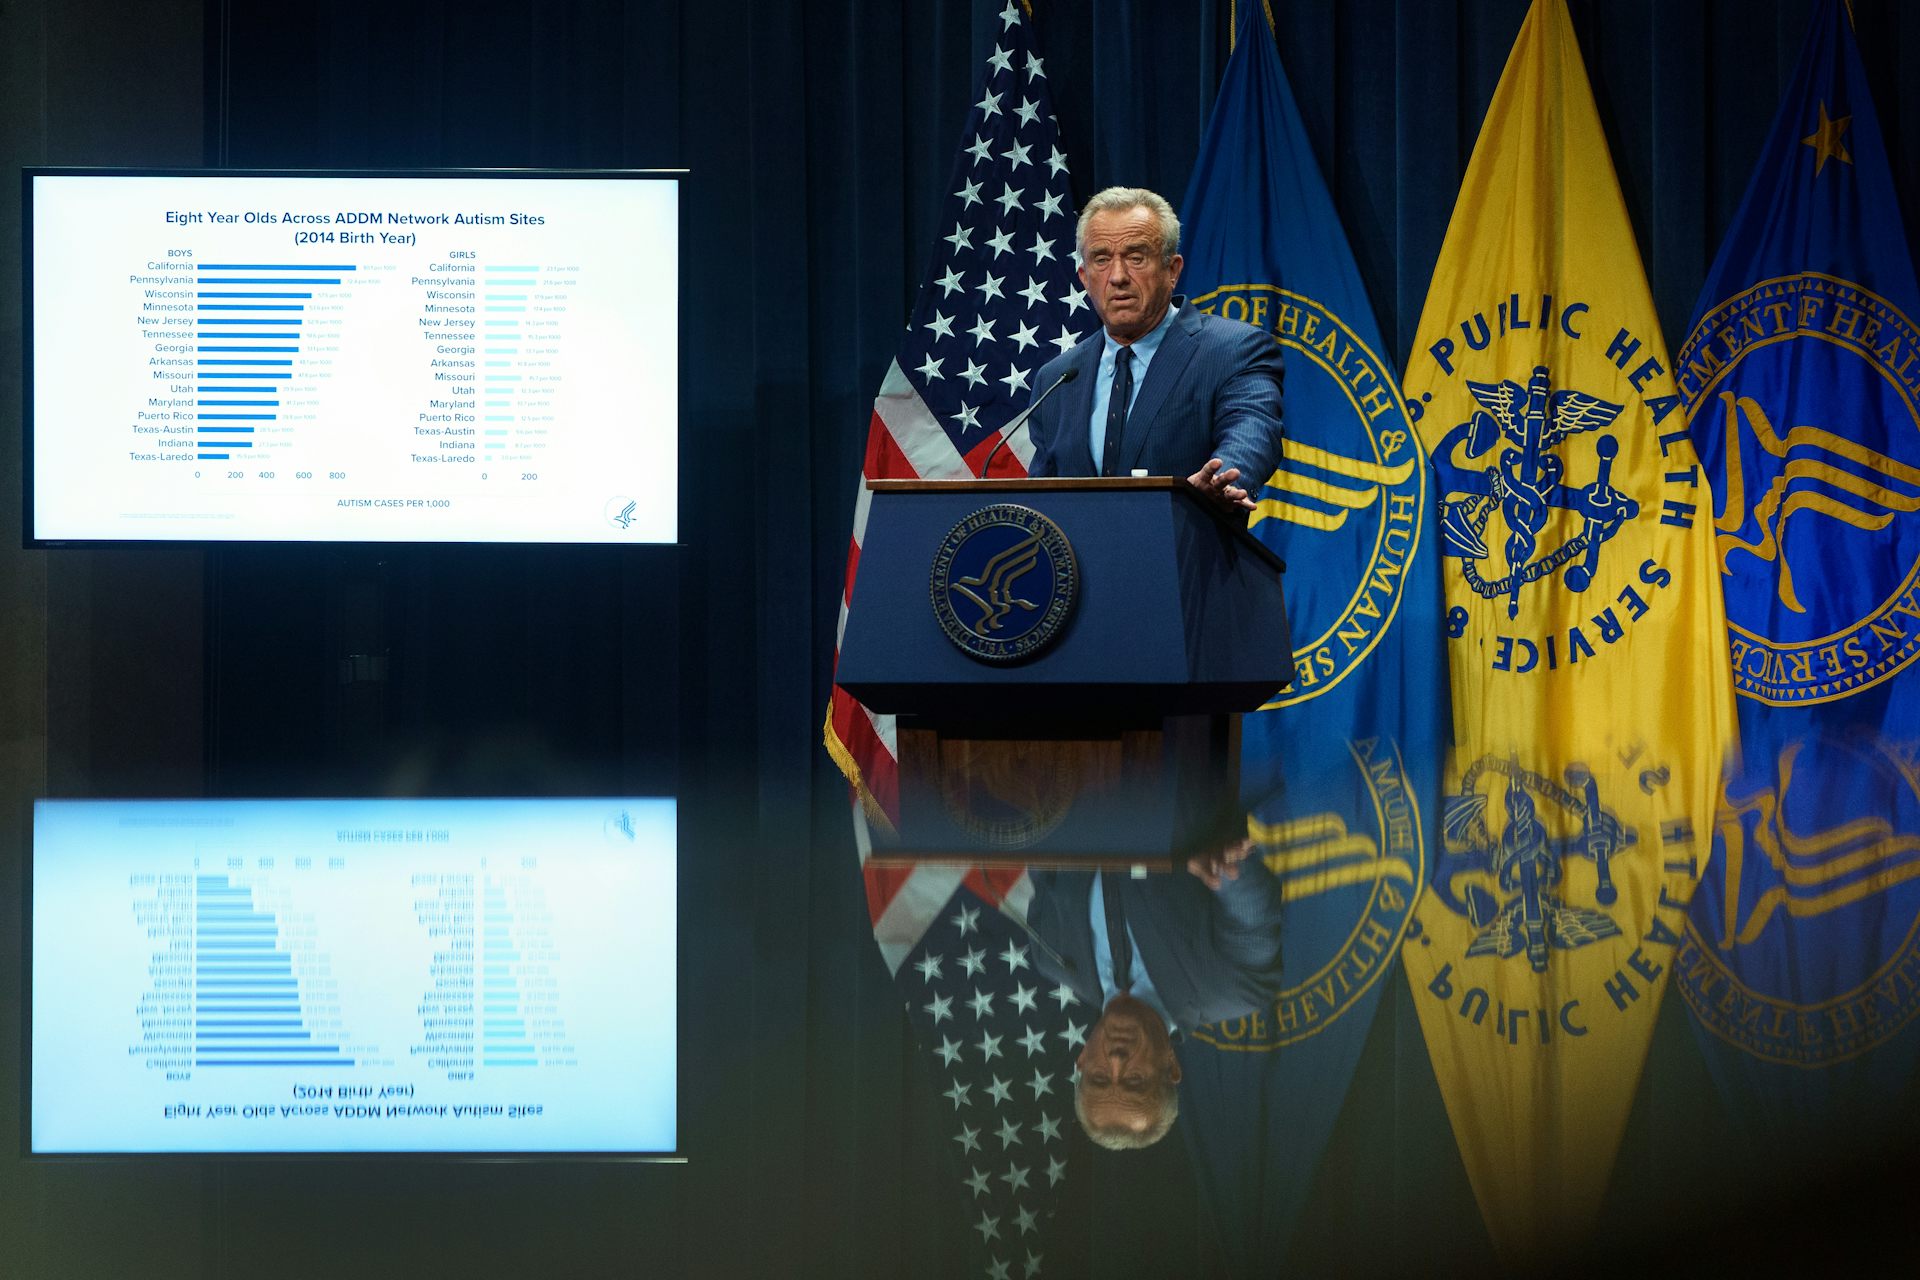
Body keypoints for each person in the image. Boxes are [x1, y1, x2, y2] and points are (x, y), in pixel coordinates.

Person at [1024, 187, 1284, 512]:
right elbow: (1041, 500)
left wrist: (1226, 477)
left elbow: (1253, 430)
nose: (1118, 277)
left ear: (1172, 270)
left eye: (1136, 257)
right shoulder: (1057, 379)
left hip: (1185, 557)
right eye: (1101, 260)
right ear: (1084, 276)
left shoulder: (1233, 350)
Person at [1024, 840, 1283, 1150]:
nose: (1116, 1060)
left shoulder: (1049, 957)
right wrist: (1223, 865)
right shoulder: (1232, 986)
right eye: (1134, 1081)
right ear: (1171, 1066)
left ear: (1081, 1061)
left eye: (1099, 1078)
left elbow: (1042, 855)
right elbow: (1252, 912)